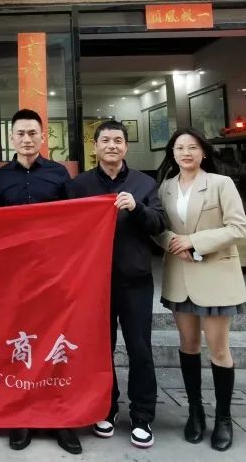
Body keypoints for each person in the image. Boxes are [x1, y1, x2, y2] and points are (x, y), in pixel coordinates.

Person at [65, 119, 165, 449]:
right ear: (94, 146)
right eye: (105, 140)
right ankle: (105, 408)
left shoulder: (144, 183)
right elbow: (67, 230)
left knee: (140, 349)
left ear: (125, 146)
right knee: (99, 350)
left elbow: (158, 223)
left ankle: (142, 415)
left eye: (118, 140)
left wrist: (136, 208)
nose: (112, 145)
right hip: (94, 282)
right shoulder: (78, 185)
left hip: (135, 280)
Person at [0, 109, 81, 455]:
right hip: (14, 277)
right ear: (11, 138)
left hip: (54, 274)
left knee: (56, 343)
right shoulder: (0, 177)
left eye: (32, 133)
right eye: (20, 134)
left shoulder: (59, 174)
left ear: (43, 137)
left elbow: (75, 221)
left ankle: (60, 418)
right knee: (19, 344)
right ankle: (21, 415)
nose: (27, 139)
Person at [154, 128, 246, 452]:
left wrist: (193, 241)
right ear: (172, 154)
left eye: (192, 147)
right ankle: (195, 412)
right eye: (180, 148)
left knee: (219, 350)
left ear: (203, 152)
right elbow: (158, 228)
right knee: (188, 346)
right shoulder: (165, 188)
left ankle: (224, 417)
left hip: (215, 276)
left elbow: (238, 227)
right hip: (180, 277)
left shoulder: (221, 184)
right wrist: (174, 243)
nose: (186, 153)